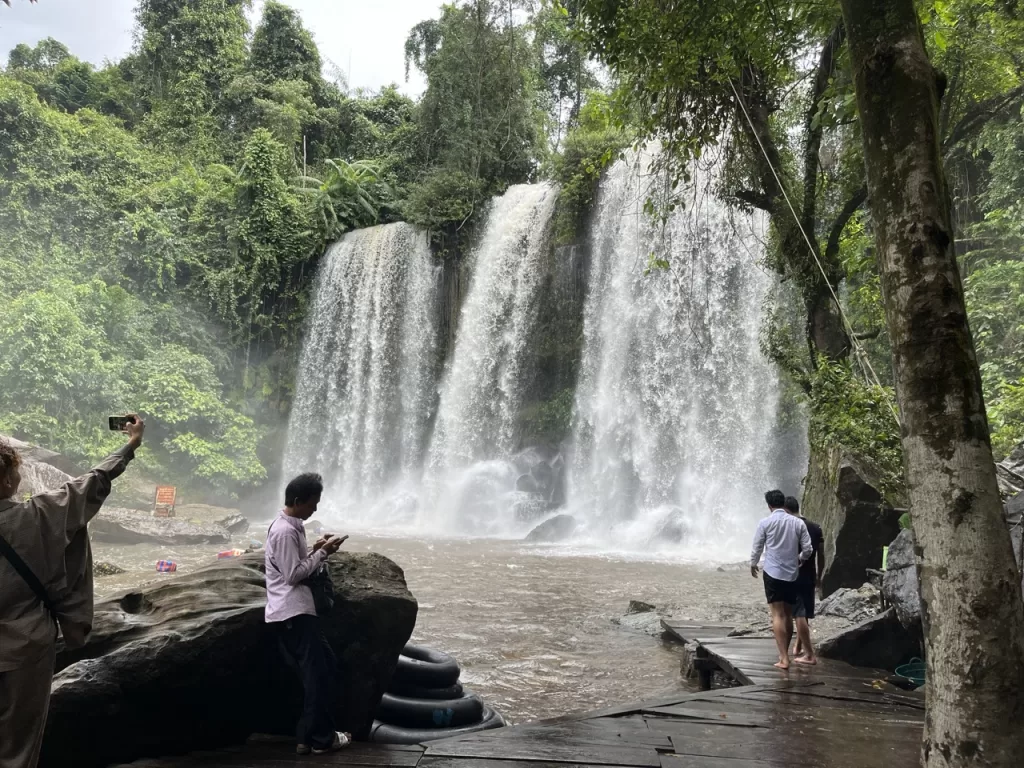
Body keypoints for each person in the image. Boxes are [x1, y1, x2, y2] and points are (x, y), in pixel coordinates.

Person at [0, 416, 145, 768]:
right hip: (26, 646)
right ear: (6, 480)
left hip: (25, 645)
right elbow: (93, 482)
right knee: (19, 744)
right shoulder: (39, 516)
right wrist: (131, 444)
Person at [265, 472, 351, 756]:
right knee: (318, 675)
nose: (316, 508)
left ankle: (310, 736)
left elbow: (292, 562)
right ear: (299, 501)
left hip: (296, 612)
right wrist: (323, 553)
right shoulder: (285, 530)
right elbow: (292, 574)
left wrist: (315, 549)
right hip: (293, 613)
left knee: (324, 668)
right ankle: (320, 739)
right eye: (314, 502)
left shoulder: (293, 527)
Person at [750, 489, 813, 670]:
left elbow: (757, 546)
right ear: (783, 502)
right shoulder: (797, 523)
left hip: (772, 573)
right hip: (792, 573)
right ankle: (786, 654)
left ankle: (784, 659)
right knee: (788, 614)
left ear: (769, 505)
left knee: (777, 615)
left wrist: (753, 564)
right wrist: (800, 558)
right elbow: (808, 549)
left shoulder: (765, 523)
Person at [786, 496, 824, 666]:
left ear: (786, 511)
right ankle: (798, 647)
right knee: (805, 610)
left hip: (794, 574)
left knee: (798, 613)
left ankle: (809, 655)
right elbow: (821, 554)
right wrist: (820, 574)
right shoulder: (816, 527)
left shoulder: (790, 528)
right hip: (810, 574)